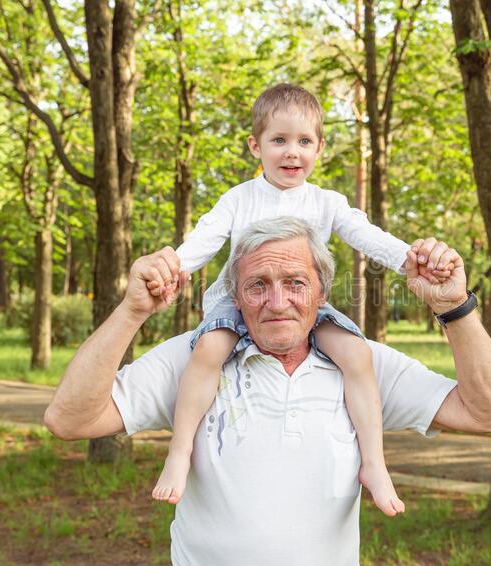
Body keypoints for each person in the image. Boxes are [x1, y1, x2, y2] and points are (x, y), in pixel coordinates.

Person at [43, 218, 491, 566]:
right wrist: (131, 311)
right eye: (257, 286)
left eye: (295, 283)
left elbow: (489, 412)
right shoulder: (192, 360)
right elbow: (70, 419)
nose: (277, 302)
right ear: (233, 296)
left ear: (322, 293)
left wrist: (455, 307)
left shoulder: (362, 365)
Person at [144, 84, 450, 515]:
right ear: (256, 146)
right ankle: (178, 454)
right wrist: (173, 267)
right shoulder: (239, 199)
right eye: (279, 141)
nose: (292, 152)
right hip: (240, 302)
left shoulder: (326, 202)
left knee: (356, 354)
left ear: (320, 147)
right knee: (209, 350)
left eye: (304, 141)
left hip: (306, 307)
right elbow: (206, 237)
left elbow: (366, 235)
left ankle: (375, 464)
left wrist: (410, 260)